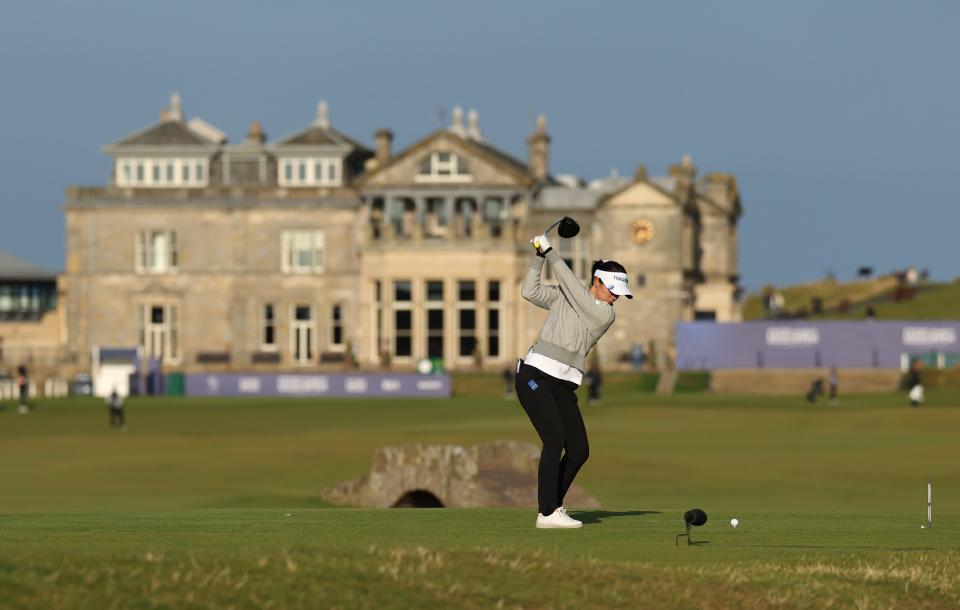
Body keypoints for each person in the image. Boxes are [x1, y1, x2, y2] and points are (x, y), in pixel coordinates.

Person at [516, 231, 631, 529]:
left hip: (563, 385)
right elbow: (530, 291)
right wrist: (539, 257)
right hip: (535, 377)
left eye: (619, 292)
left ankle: (553, 506)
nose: (616, 296)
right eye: (612, 289)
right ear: (597, 281)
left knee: (579, 450)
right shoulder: (569, 296)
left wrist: (552, 250)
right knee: (554, 439)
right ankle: (547, 513)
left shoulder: (604, 314)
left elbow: (577, 294)